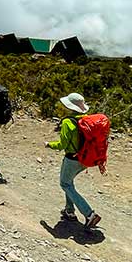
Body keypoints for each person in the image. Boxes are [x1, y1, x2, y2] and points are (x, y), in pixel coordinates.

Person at [46, 93, 104, 230]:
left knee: (65, 184)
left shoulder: (68, 122)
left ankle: (89, 214)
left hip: (72, 159)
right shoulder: (87, 120)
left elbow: (63, 145)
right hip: (87, 159)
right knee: (69, 182)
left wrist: (49, 144)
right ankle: (69, 211)